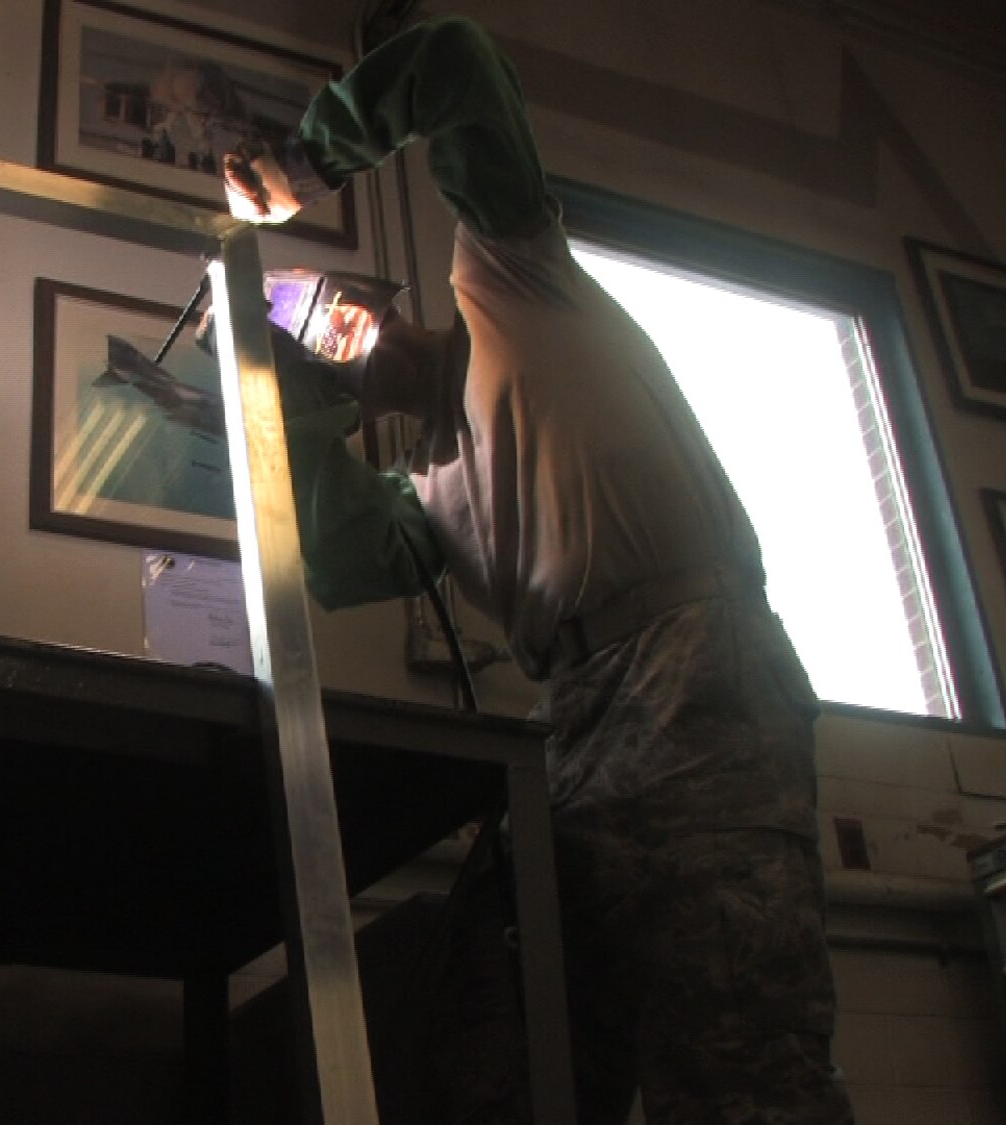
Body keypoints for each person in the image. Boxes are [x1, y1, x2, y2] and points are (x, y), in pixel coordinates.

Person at [219, 16, 854, 1125]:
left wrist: (307, 161)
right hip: (573, 720)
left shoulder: (509, 279)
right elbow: (339, 560)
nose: (328, 325)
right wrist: (287, 412)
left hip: (697, 674)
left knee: (735, 1059)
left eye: (320, 302)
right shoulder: (428, 489)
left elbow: (456, 66)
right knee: (505, 1039)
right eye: (307, 338)